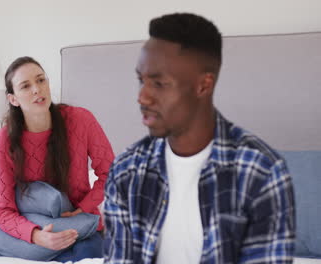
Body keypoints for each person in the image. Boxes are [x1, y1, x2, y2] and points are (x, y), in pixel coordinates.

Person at [103, 13, 295, 264]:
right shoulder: (126, 171)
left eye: (159, 83)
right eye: (141, 80)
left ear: (203, 86)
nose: (142, 97)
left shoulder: (260, 172)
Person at [0, 56, 114, 261]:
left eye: (41, 80)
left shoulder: (80, 120)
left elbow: (111, 173)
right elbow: (4, 210)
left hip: (77, 226)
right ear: (13, 99)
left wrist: (84, 207)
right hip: (22, 229)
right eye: (25, 86)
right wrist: (36, 236)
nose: (37, 89)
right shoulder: (4, 140)